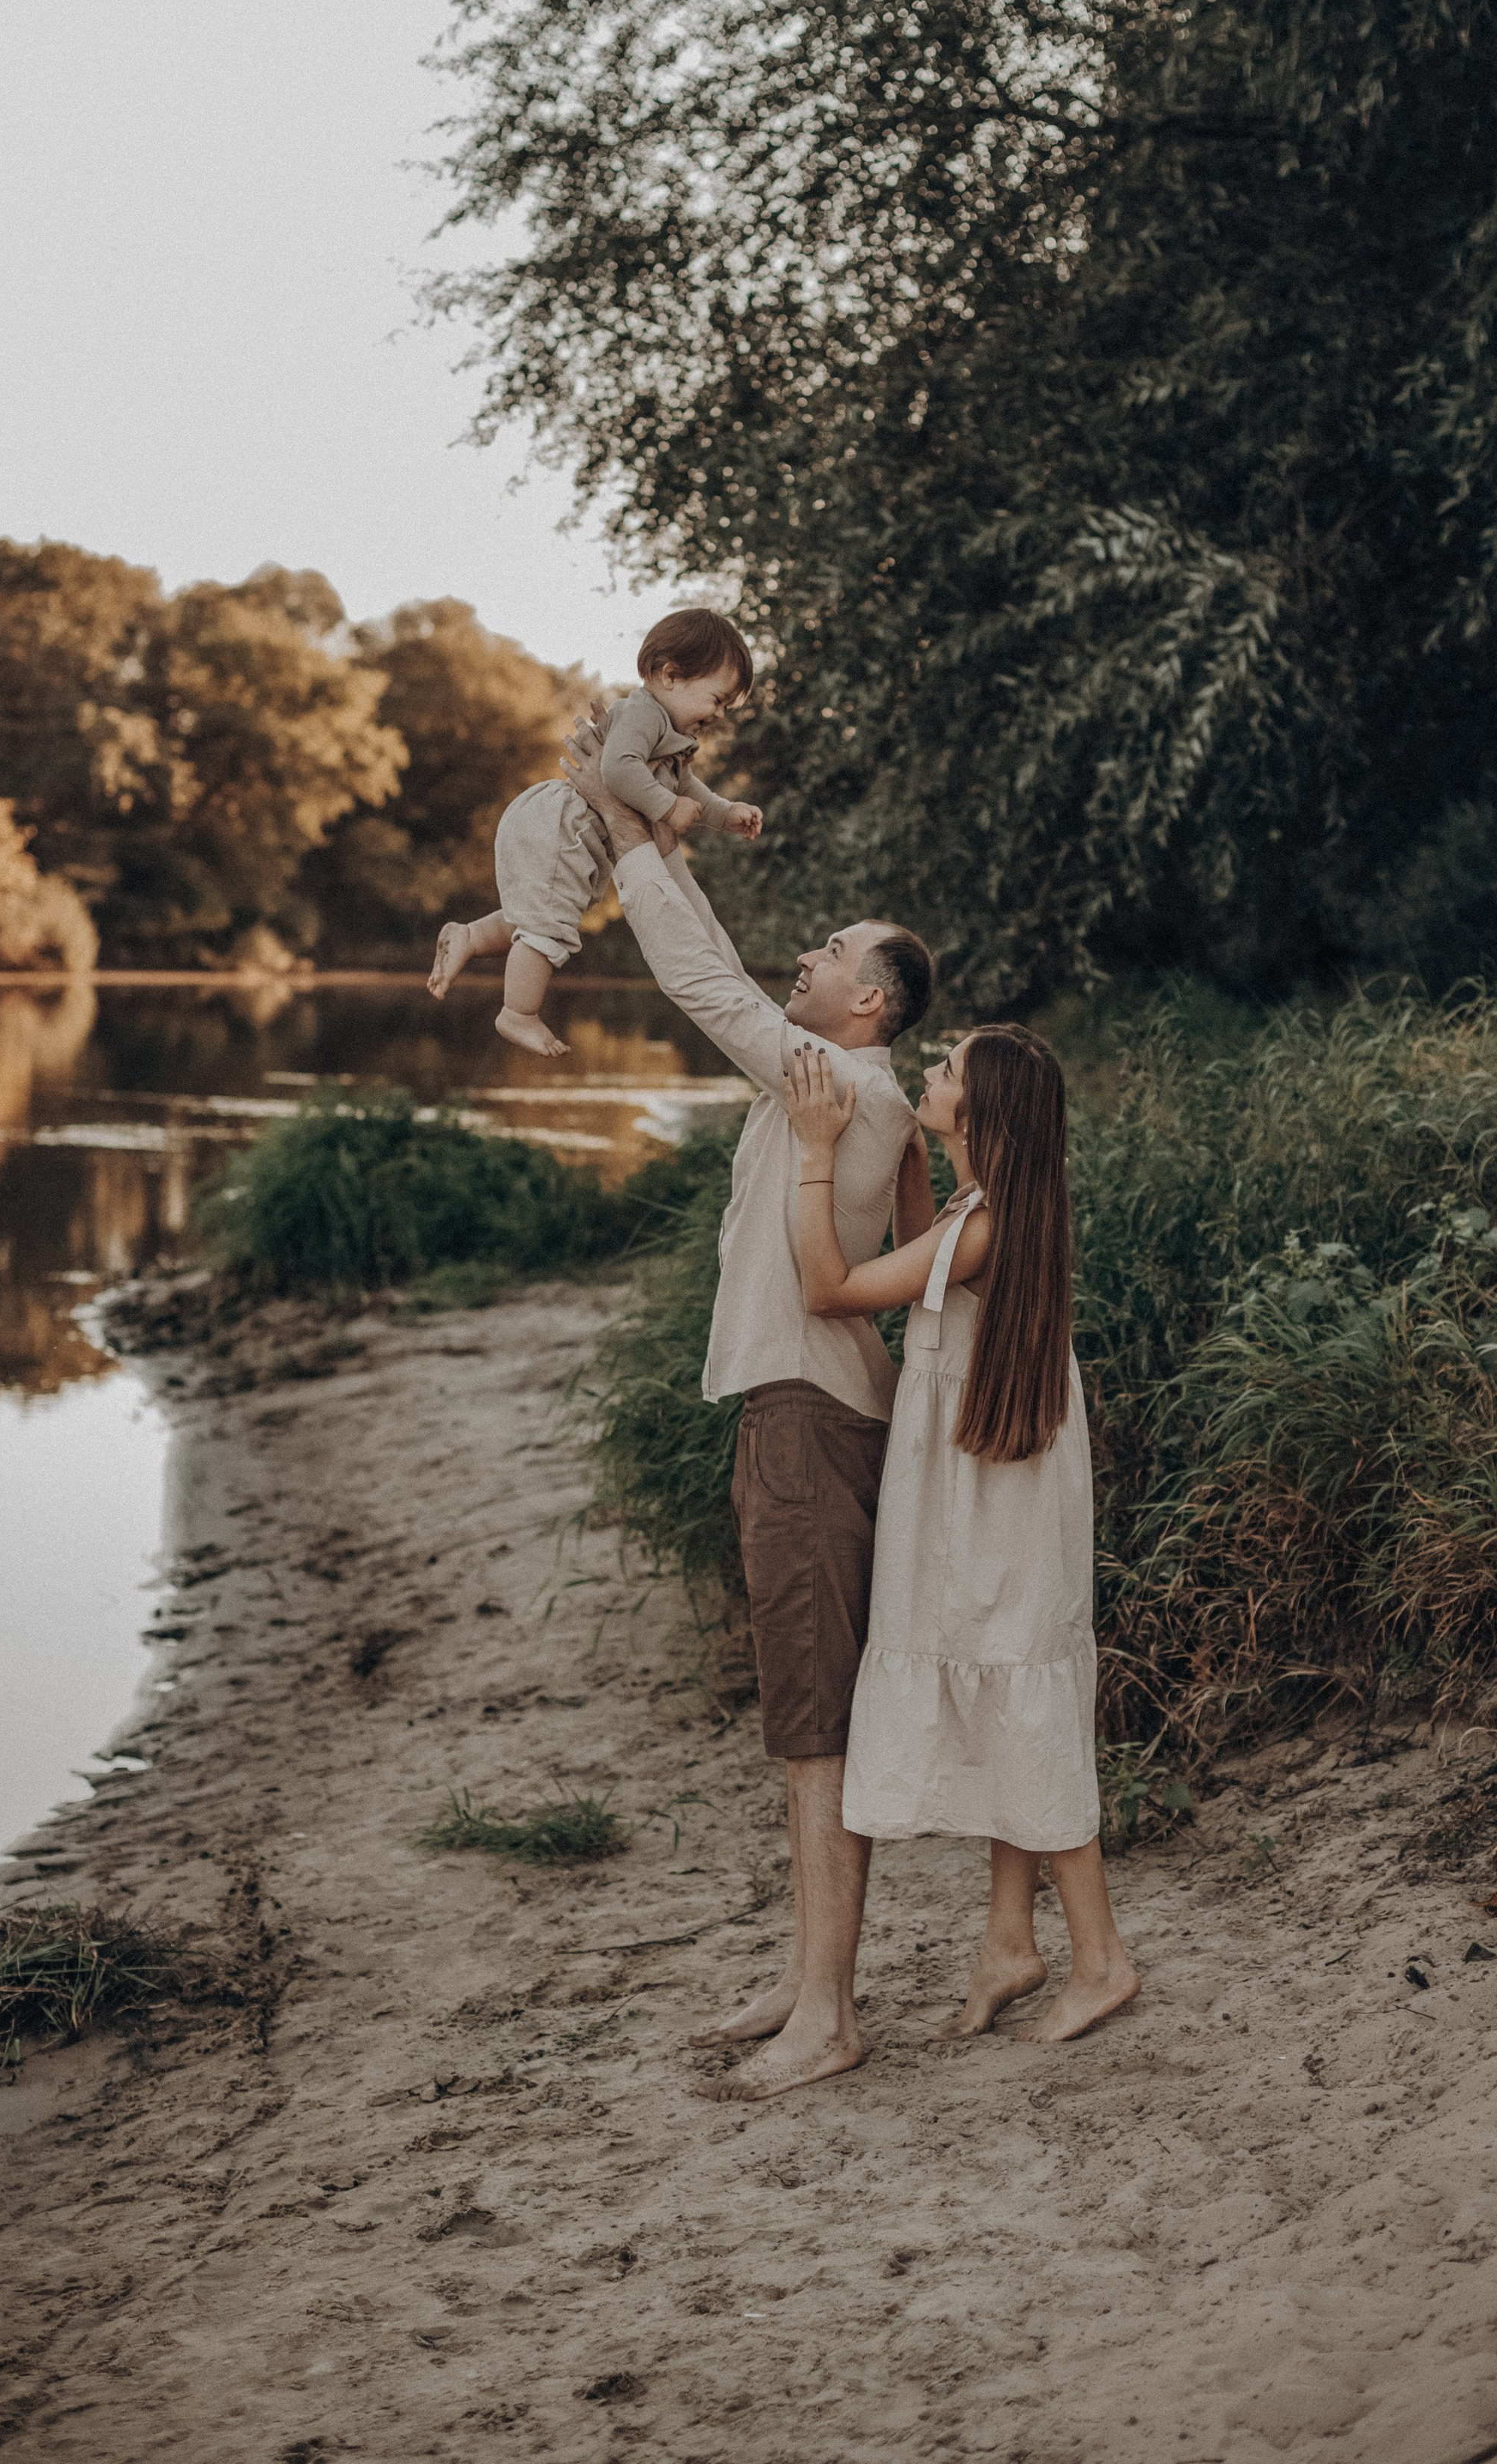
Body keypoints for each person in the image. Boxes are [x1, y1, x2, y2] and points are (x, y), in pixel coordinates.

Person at [558, 715, 935, 2101]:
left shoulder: (839, 1082)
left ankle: (829, 2018)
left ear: (872, 1003)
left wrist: (618, 835)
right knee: (802, 1725)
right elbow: (729, 972)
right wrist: (657, 831)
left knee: (815, 1730)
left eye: (835, 952)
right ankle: (804, 1979)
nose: (811, 959)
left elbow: (705, 986)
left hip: (807, 1426)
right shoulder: (843, 1079)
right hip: (794, 1417)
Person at [784, 1025, 1140, 2046]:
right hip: (997, 1484)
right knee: (1002, 1677)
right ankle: (1007, 1941)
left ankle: (1103, 1958)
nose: (928, 1076)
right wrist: (909, 1160)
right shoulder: (984, 1211)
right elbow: (920, 1266)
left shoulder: (980, 1230)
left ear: (981, 1116)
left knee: (1014, 1691)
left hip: (992, 1498)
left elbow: (833, 1288)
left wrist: (816, 1157)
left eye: (944, 1075)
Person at [427, 609, 764, 1057]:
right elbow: (617, 770)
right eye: (717, 700)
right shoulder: (644, 715)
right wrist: (666, 807)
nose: (719, 714)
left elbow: (687, 787)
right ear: (671, 676)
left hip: (568, 831)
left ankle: (469, 937)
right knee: (547, 926)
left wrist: (726, 814)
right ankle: (518, 1013)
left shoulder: (667, 732)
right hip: (563, 825)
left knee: (542, 913)